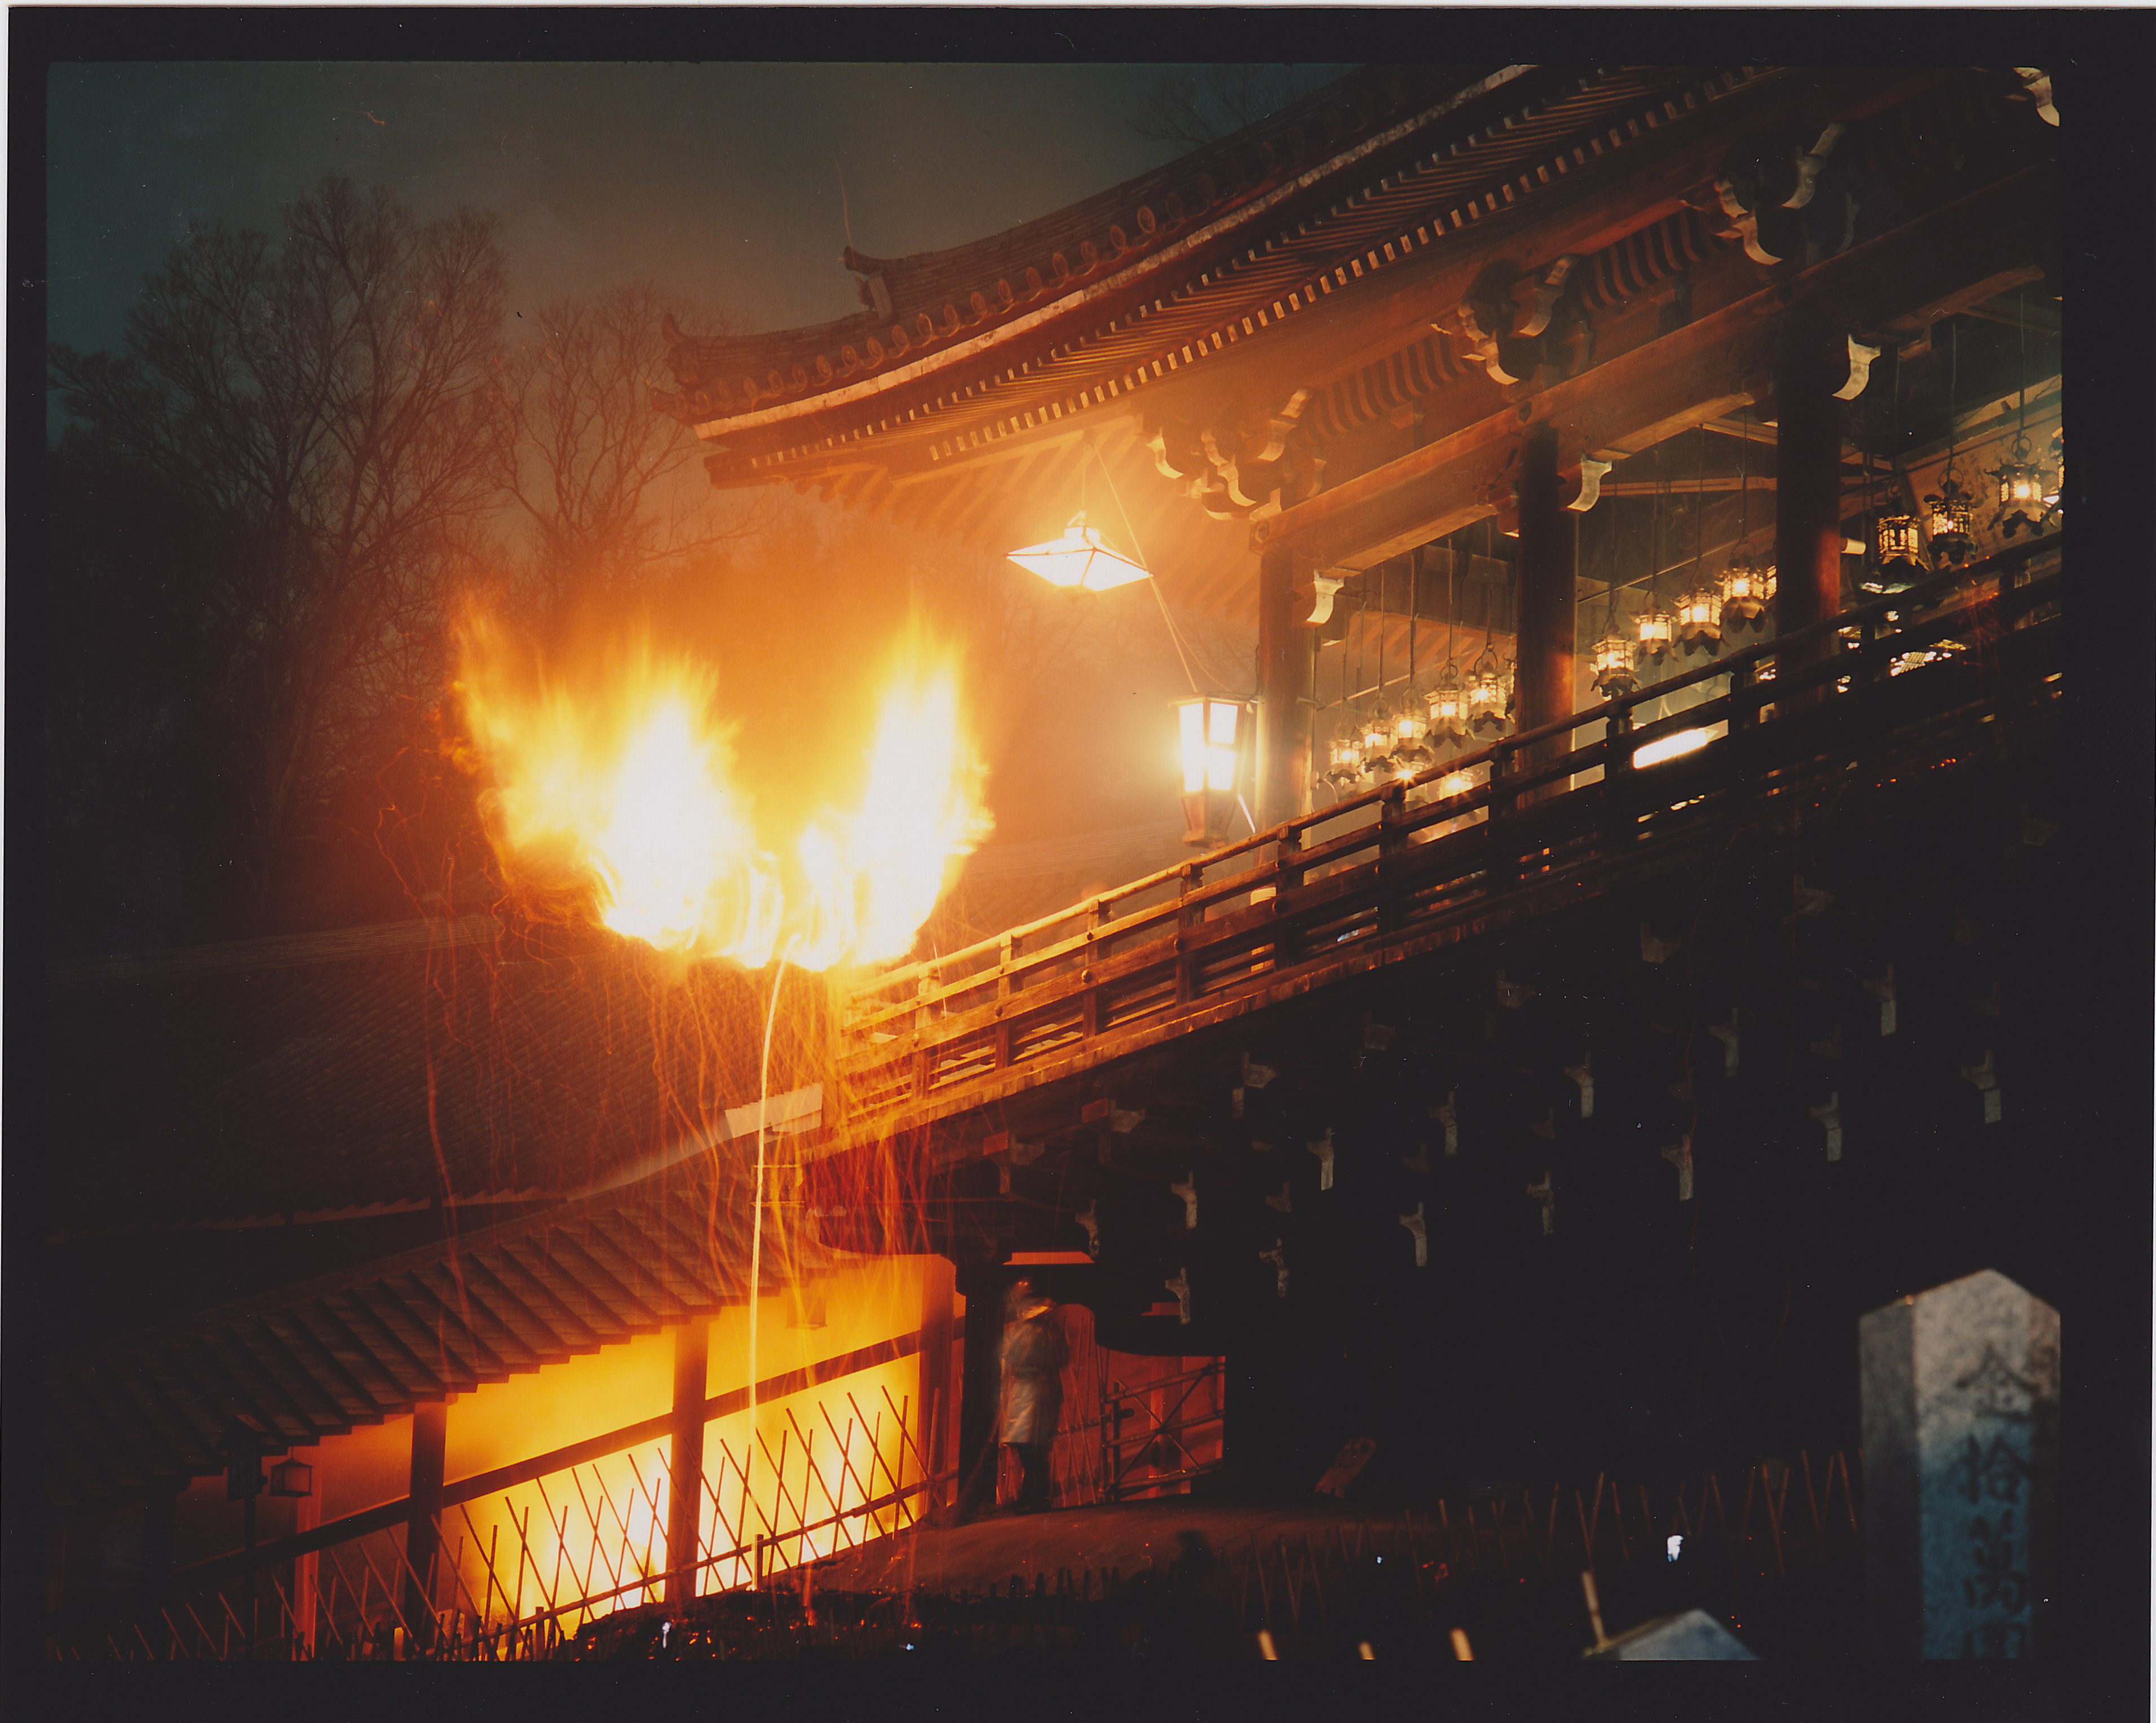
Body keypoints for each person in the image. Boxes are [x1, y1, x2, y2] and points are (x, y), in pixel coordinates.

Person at [997, 1279, 1069, 1514]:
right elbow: (1064, 1359)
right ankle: (1035, 1497)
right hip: (1046, 1391)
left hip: (1027, 1392)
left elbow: (1010, 1356)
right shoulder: (1054, 1331)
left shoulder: (1022, 1332)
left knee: (1028, 1449)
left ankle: (1033, 1498)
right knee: (1037, 1449)